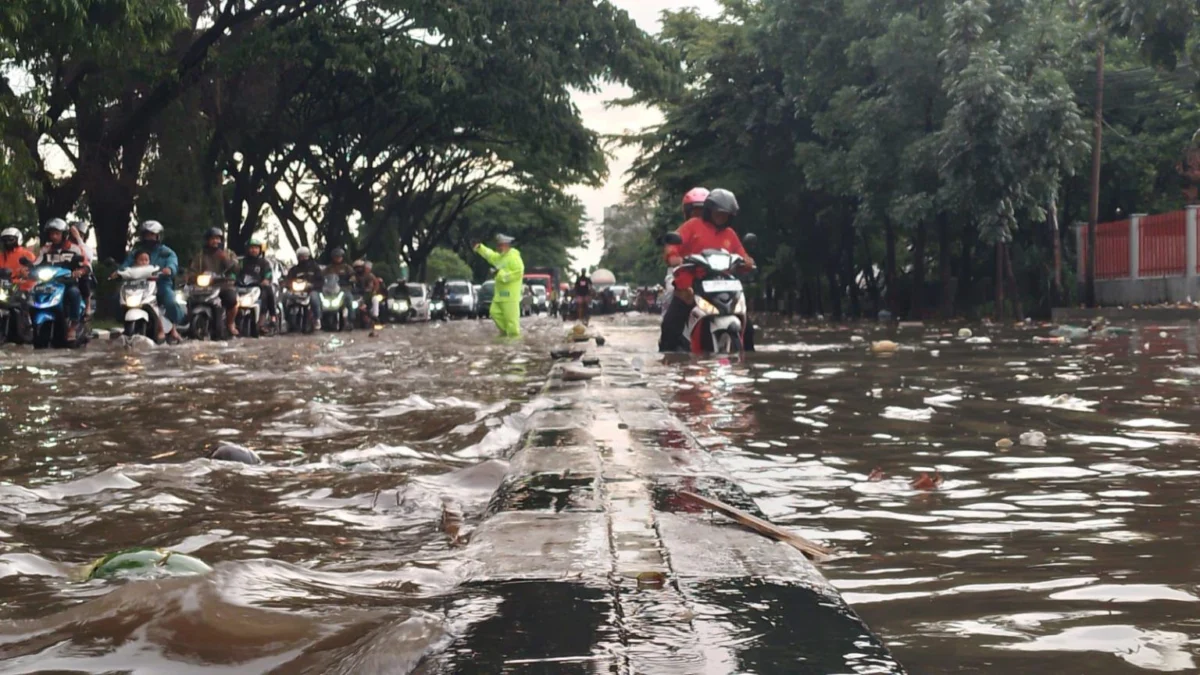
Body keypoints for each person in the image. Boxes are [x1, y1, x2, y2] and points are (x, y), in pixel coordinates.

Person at [660, 188, 755, 352]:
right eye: (718, 213)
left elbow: (742, 255)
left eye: (725, 214)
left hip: (722, 285)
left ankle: (748, 362)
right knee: (671, 324)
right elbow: (673, 244)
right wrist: (673, 256)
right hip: (691, 283)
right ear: (709, 211)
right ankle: (668, 358)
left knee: (749, 327)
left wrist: (747, 262)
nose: (721, 217)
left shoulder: (730, 234)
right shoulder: (692, 226)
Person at [119, 221, 184, 342]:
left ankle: (173, 329)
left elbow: (173, 263)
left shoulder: (166, 252)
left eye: (152, 235)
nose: (149, 237)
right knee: (118, 298)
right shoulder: (136, 253)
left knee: (169, 300)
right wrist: (119, 272)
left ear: (158, 236)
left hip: (161, 284)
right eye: (147, 234)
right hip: (138, 285)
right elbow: (126, 265)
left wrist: (169, 269)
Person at [31, 219, 90, 342]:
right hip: (48, 283)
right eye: (51, 234)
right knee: (32, 296)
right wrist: (28, 270)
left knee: (74, 293)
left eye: (57, 233)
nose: (54, 236)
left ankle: (73, 326)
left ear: (64, 234)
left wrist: (80, 271)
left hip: (67, 282)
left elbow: (85, 264)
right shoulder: (45, 249)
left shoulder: (74, 249)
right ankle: (30, 327)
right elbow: (36, 263)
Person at [188, 227, 240, 336]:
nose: (215, 241)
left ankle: (230, 324)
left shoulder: (228, 253)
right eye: (212, 238)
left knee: (231, 299)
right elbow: (192, 271)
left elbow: (236, 268)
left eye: (217, 238)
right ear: (207, 240)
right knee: (188, 299)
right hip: (204, 286)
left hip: (223, 284)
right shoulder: (200, 256)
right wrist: (191, 277)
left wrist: (225, 258)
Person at [472, 234, 525, 337]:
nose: (498, 248)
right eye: (498, 245)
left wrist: (499, 274)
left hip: (510, 296)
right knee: (494, 312)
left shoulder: (514, 257)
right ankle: (505, 334)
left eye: (500, 245)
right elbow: (490, 255)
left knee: (511, 320)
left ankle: (513, 340)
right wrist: (479, 247)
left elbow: (518, 272)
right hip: (500, 295)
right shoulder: (501, 257)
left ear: (506, 245)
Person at [238, 236, 277, 328]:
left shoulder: (264, 262)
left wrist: (266, 280)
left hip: (259, 287)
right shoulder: (242, 262)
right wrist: (232, 278)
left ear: (260, 250)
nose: (253, 250)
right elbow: (235, 272)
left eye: (256, 248)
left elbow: (268, 273)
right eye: (251, 248)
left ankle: (272, 316)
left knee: (267, 292)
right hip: (243, 287)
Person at [285, 246, 324, 329]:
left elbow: (321, 280)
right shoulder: (294, 270)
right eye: (301, 256)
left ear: (308, 256)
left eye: (305, 256)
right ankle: (286, 320)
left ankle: (317, 319)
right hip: (296, 291)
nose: (303, 258)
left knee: (314, 298)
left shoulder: (315, 268)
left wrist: (312, 285)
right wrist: (288, 285)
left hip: (311, 290)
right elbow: (288, 280)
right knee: (285, 297)